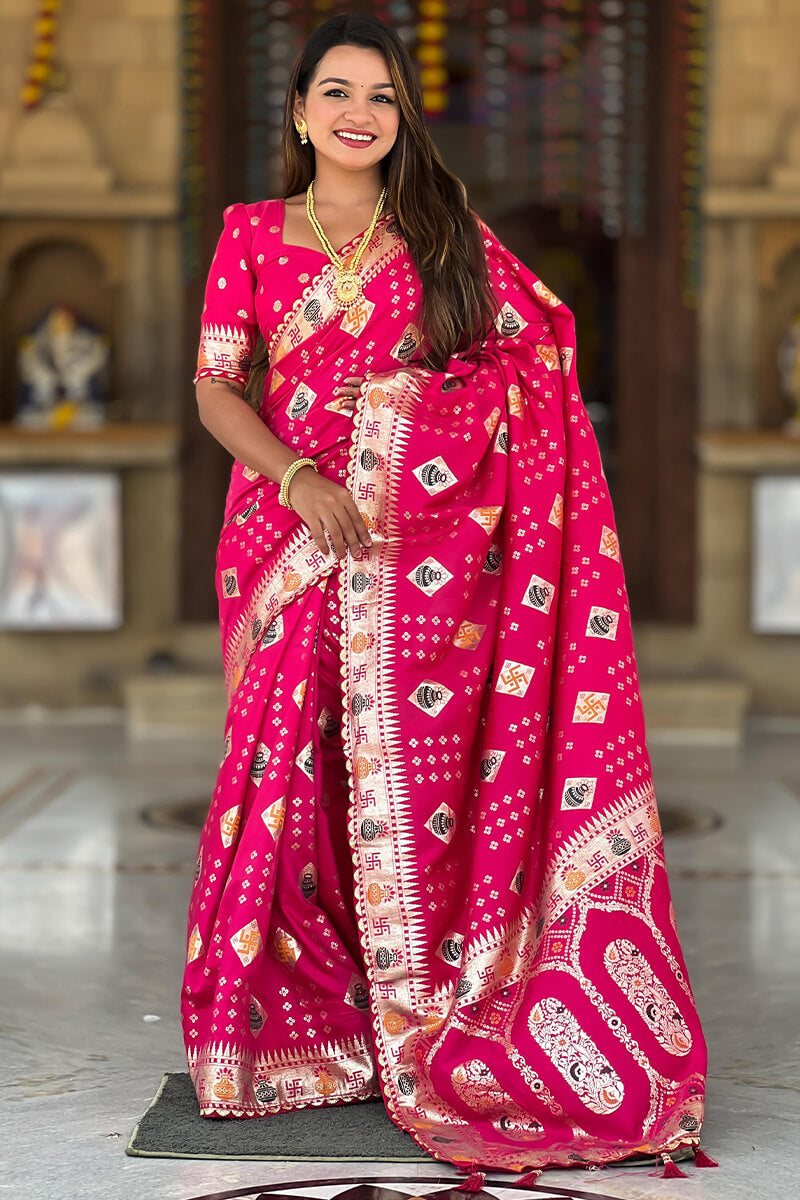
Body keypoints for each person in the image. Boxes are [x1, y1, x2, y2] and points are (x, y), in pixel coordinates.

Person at [182, 12, 711, 1184]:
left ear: (399, 114)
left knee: (406, 784)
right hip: (283, 534)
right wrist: (303, 474)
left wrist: (403, 442)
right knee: (283, 775)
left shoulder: (438, 231)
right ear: (299, 111)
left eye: (377, 94)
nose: (356, 113)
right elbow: (219, 389)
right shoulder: (251, 235)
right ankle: (294, 1036)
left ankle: (415, 1005)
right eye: (334, 91)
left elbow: (534, 360)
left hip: (413, 550)